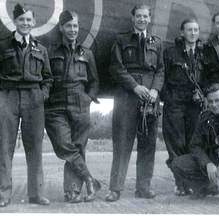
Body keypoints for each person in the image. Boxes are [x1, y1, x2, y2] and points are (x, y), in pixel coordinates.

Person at [105, 4, 164, 202]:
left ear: (149, 18)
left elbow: (161, 70)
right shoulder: (121, 40)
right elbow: (116, 68)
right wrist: (135, 87)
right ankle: (115, 189)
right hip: (127, 96)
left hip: (150, 98)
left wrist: (155, 90)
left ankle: (143, 187)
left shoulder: (157, 42)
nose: (141, 19)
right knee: (122, 143)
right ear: (132, 19)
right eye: (138, 16)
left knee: (148, 144)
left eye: (145, 16)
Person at [45, 10, 101, 203]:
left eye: (75, 26)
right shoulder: (50, 51)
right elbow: (46, 78)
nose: (72, 30)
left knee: (78, 146)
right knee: (64, 145)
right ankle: (89, 178)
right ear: (61, 27)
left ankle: (73, 191)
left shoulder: (87, 54)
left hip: (80, 104)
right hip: (55, 105)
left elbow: (94, 82)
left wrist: (88, 98)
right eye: (68, 26)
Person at [0, 3, 52, 207]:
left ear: (34, 22)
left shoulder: (41, 49)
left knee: (35, 147)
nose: (25, 23)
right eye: (21, 20)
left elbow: (48, 78)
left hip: (33, 97)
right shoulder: (3, 46)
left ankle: (36, 194)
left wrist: (42, 95)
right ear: (14, 22)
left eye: (29, 20)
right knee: (4, 147)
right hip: (8, 96)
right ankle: (3, 194)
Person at [162, 18, 204, 196]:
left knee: (192, 143)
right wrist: (168, 98)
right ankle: (180, 183)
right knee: (176, 145)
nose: (193, 33)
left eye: (196, 30)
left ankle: (191, 181)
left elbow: (207, 78)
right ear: (182, 32)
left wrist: (202, 94)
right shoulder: (171, 53)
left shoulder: (203, 54)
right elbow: (161, 77)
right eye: (189, 30)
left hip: (194, 104)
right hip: (175, 103)